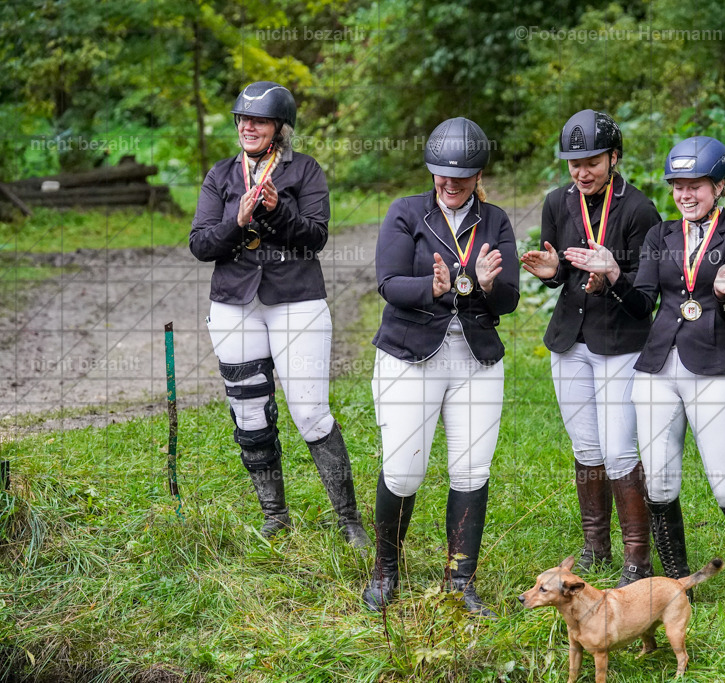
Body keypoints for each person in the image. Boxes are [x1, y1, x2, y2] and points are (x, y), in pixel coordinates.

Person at [565, 135, 725, 612]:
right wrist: (614, 276)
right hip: (658, 367)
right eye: (678, 186)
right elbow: (643, 303)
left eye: (696, 186)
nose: (685, 195)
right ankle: (676, 585)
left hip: (713, 367)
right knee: (660, 482)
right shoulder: (660, 236)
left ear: (719, 186)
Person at [190, 81, 369, 545]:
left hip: (297, 300)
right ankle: (274, 514)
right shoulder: (221, 175)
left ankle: (349, 519)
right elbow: (200, 243)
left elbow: (316, 236)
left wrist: (274, 210)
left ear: (278, 128)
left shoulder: (305, 170)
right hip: (234, 303)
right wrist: (238, 221)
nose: (249, 127)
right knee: (248, 411)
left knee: (310, 412)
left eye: (260, 120)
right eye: (243, 120)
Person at [362, 117, 519, 616]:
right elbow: (387, 282)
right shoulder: (406, 212)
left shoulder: (495, 221)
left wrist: (490, 286)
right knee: (405, 472)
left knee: (471, 470)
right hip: (410, 353)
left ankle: (460, 580)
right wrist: (428, 288)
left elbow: (510, 297)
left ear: (478, 176)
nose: (449, 185)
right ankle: (387, 569)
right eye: (440, 175)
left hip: (474, 357)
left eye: (461, 176)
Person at [520, 110, 662, 587]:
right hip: (570, 340)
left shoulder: (640, 211)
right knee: (586, 446)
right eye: (573, 162)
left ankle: (637, 560)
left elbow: (646, 300)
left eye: (592, 162)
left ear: (614, 157)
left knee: (620, 451)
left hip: (620, 342)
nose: (582, 172)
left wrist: (613, 277)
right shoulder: (557, 203)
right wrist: (551, 272)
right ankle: (595, 545)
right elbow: (564, 271)